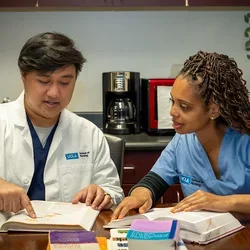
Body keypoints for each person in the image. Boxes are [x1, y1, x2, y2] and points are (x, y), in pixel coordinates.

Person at [112, 51, 250, 220]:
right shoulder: (183, 141)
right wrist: (140, 195)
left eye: (184, 106)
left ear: (213, 109)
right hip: (204, 239)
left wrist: (225, 202)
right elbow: (153, 181)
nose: (172, 112)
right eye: (172, 101)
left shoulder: (245, 142)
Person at [0, 32, 124, 218]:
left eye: (65, 82)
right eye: (44, 81)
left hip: (69, 239)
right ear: (24, 77)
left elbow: (113, 190)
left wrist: (103, 194)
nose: (54, 93)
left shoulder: (88, 133)